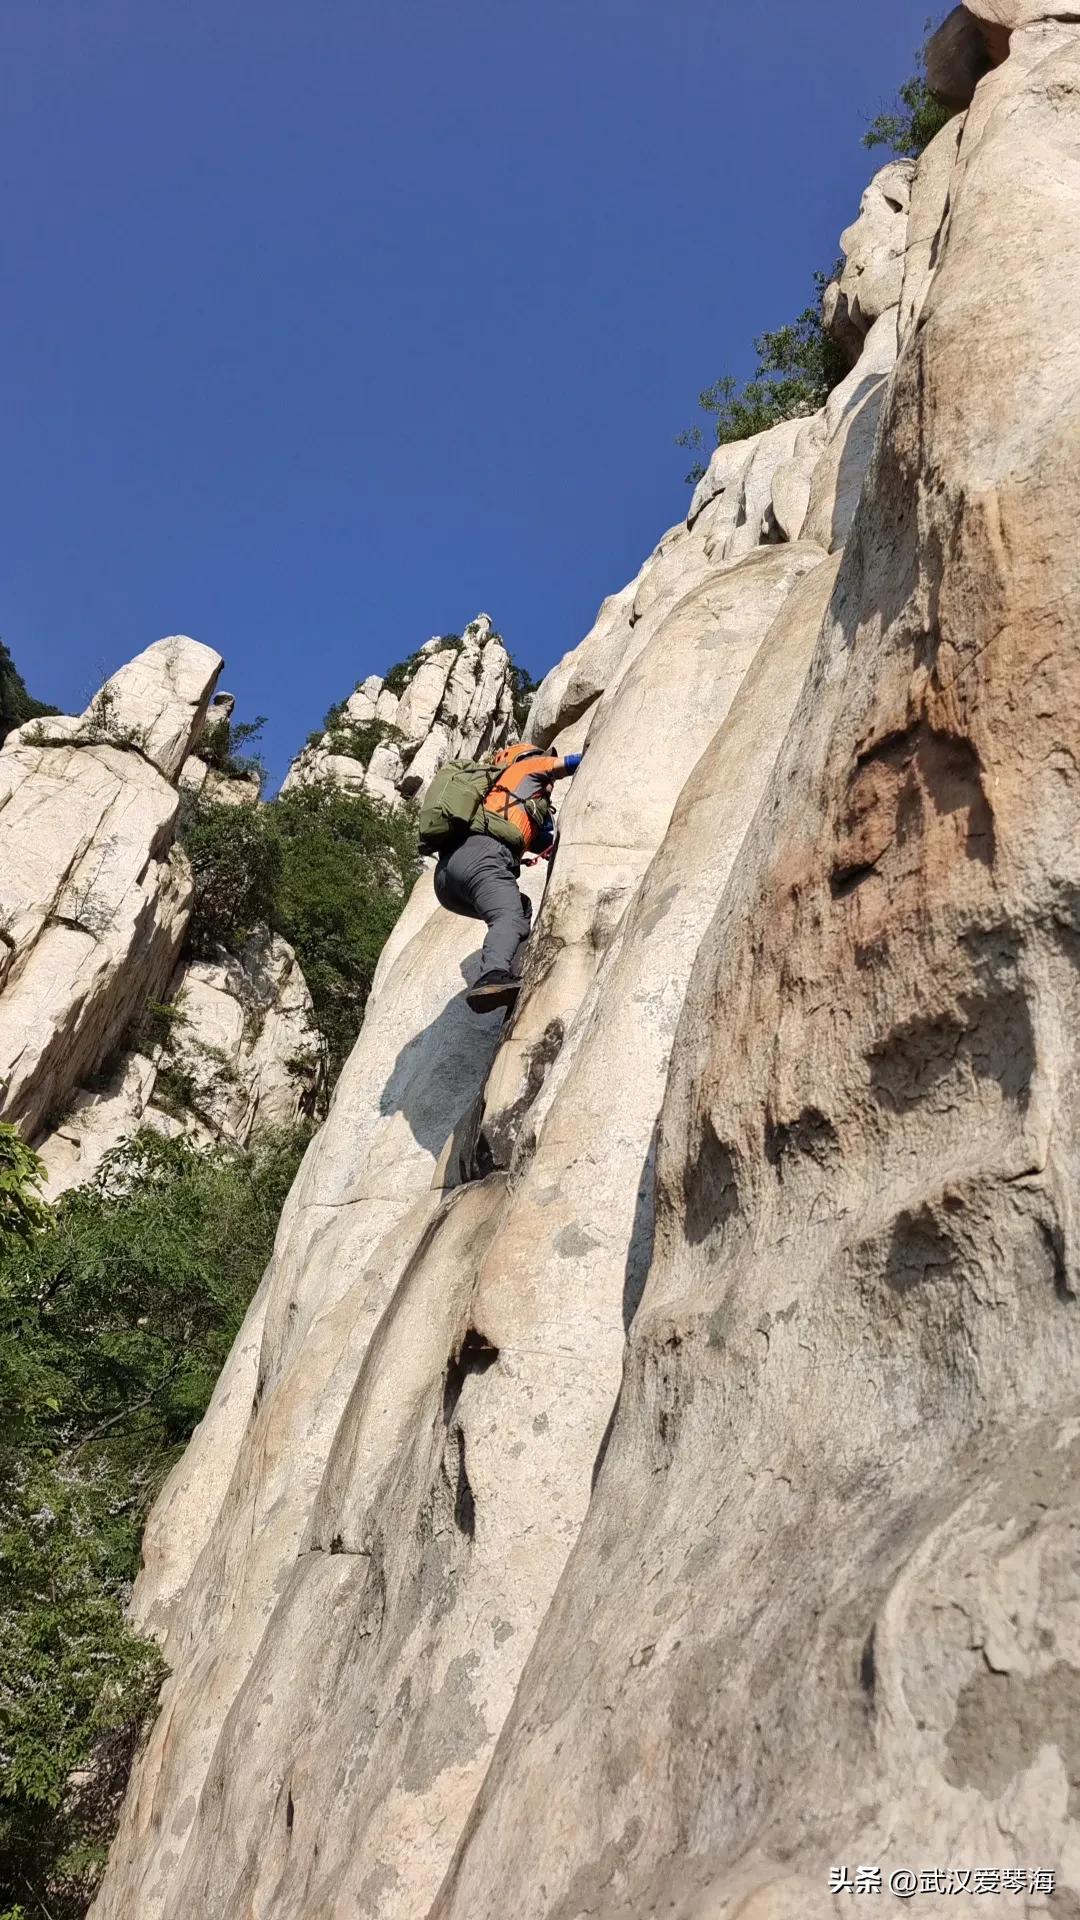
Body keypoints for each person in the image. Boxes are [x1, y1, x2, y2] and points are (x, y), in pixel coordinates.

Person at [434, 746, 583, 1012]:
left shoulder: (504, 800)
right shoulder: (525, 769)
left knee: (519, 907)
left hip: (447, 881)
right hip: (483, 856)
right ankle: (492, 975)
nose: (550, 787)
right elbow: (573, 762)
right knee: (510, 916)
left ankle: (504, 967)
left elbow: (545, 844)